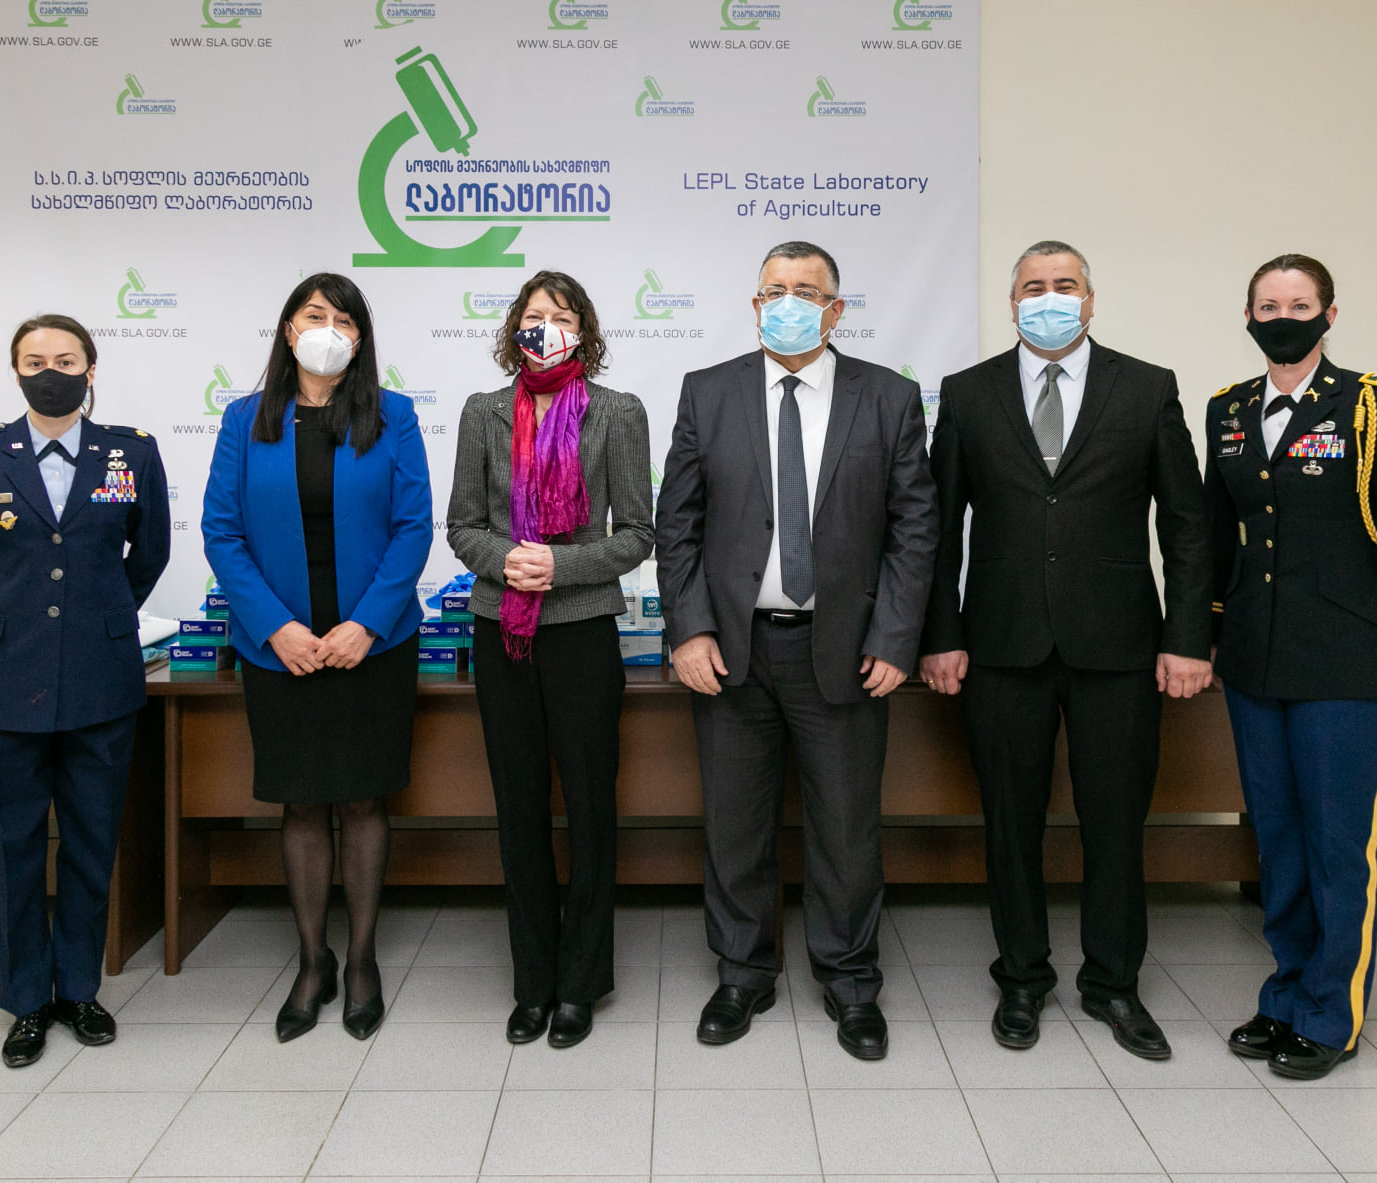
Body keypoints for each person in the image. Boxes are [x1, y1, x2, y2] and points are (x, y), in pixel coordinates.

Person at [918, 240, 1211, 1060]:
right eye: (1033, 286)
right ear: (1012, 302)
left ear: (1090, 298)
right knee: (1009, 823)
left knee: (1115, 823)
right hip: (1000, 644)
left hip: (1119, 647)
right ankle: (1021, 977)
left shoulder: (1146, 387)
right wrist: (940, 635)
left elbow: (1186, 525)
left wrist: (1187, 638)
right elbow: (937, 528)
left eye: (1065, 284)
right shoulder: (968, 392)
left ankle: (1114, 982)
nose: (1049, 297)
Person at [655, 241, 938, 1060]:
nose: (788, 303)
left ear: (835, 309)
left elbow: (915, 528)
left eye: (806, 292)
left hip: (845, 651)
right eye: (774, 290)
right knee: (735, 825)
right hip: (733, 651)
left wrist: (895, 638)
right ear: (754, 305)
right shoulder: (708, 392)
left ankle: (850, 982)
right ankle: (742, 973)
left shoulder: (888, 397)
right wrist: (689, 628)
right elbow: (678, 525)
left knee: (846, 830)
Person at [1207, 254, 1377, 1080]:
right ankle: (1286, 995)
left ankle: (1330, 1013)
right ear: (1248, 317)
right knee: (1278, 841)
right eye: (1269, 305)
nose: (1284, 317)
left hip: (1349, 661)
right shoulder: (1229, 409)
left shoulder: (1372, 402)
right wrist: (1210, 634)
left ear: (1329, 315)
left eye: (1300, 304)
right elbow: (1218, 533)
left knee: (1339, 844)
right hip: (1255, 659)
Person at [0, 314, 170, 1067]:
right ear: (16, 372)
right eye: (34, 361)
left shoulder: (130, 452)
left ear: (90, 370)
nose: (50, 372)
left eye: (65, 360)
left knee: (91, 845)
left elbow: (149, 553)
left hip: (100, 678)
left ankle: (79, 990)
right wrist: (9, 619)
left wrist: (97, 616)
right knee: (14, 850)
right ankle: (27, 1001)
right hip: (3, 683)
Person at [203, 272, 433, 1043]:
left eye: (343, 319)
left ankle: (361, 960)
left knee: (364, 801)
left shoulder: (393, 416)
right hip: (282, 651)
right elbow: (221, 530)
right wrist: (275, 627)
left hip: (373, 644)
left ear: (360, 339)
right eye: (313, 315)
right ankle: (312, 961)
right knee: (301, 803)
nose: (327, 329)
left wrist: (366, 623)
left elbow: (413, 526)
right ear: (288, 329)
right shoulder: (245, 420)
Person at [448, 271, 654, 1049]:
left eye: (561, 315)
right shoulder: (484, 411)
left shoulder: (617, 412)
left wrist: (560, 566)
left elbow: (638, 532)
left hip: (582, 631)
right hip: (502, 630)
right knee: (519, 806)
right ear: (514, 329)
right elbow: (463, 525)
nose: (546, 327)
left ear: (584, 330)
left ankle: (580, 982)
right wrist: (507, 560)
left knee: (592, 808)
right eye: (534, 315)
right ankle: (532, 981)